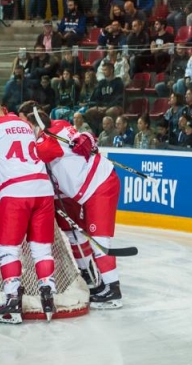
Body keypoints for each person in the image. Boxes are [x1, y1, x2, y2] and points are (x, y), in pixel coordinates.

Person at [0, 102, 58, 324]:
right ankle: (48, 296)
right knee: (42, 249)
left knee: (8, 250)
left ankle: (12, 302)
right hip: (43, 190)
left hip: (14, 192)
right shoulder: (23, 123)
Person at [29, 111, 123, 307]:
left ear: (36, 126)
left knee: (99, 240)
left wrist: (88, 138)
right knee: (76, 235)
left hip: (98, 185)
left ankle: (113, 291)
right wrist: (88, 137)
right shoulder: (59, 126)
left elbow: (40, 152)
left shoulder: (48, 140)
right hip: (80, 190)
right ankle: (94, 281)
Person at [85, 61, 124, 131]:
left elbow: (118, 99)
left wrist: (107, 107)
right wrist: (98, 107)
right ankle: (96, 132)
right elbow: (95, 97)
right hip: (102, 106)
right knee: (89, 112)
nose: (103, 72)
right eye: (103, 70)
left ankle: (112, 132)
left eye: (105, 70)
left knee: (110, 111)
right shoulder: (101, 83)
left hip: (115, 106)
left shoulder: (118, 82)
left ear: (111, 70)